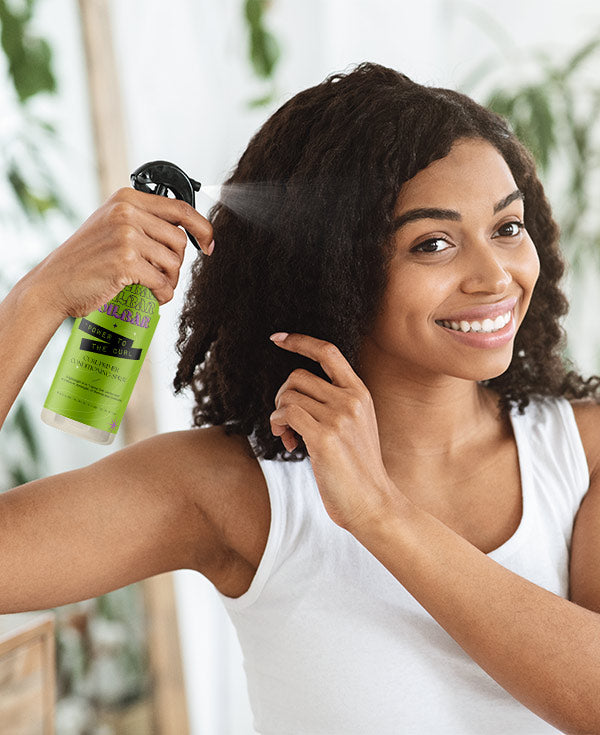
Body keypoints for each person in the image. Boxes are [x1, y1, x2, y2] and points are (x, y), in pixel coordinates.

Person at [1, 61, 599, 735]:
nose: (495, 276)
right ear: (334, 267)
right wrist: (38, 297)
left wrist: (381, 513)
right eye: (433, 243)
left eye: (507, 227)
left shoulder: (582, 455)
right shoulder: (236, 490)